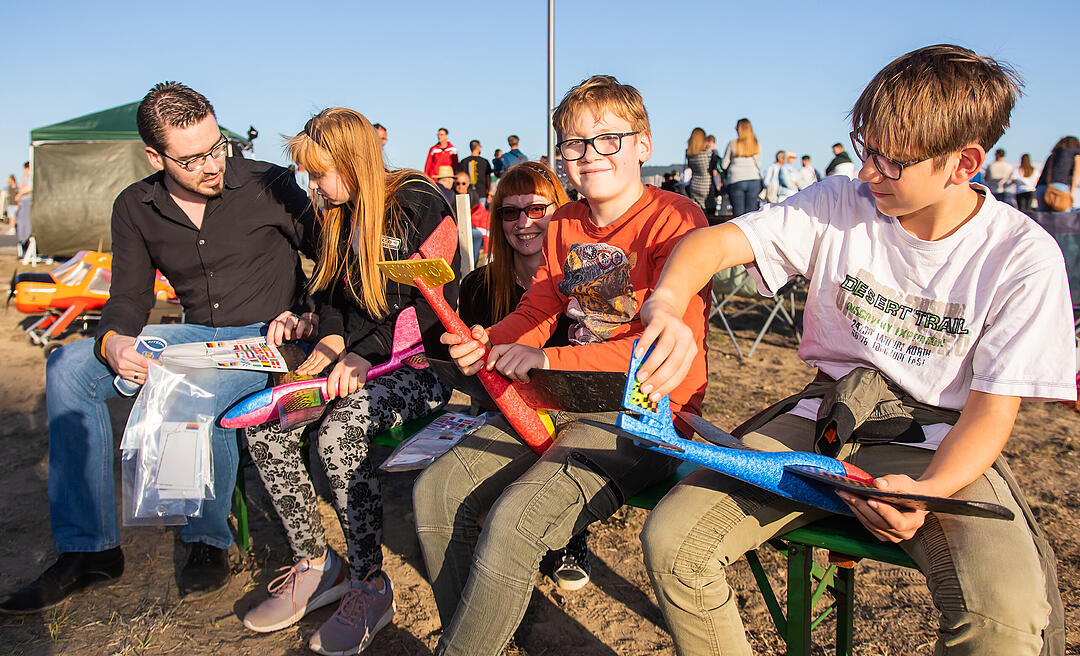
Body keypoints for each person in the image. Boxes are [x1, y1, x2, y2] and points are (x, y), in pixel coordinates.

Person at [633, 44, 1071, 656]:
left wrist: (930, 494)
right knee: (676, 543)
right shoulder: (838, 203)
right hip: (826, 418)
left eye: (890, 162)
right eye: (865, 149)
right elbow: (710, 245)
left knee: (1005, 620)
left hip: (937, 438)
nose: (868, 172)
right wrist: (667, 305)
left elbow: (992, 413)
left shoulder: (1022, 257)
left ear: (964, 163)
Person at [413, 73, 709, 656]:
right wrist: (489, 338)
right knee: (434, 492)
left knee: (515, 522)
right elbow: (540, 305)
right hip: (559, 398)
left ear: (644, 145)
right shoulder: (566, 222)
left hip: (647, 409)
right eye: (574, 144)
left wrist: (541, 355)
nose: (590, 154)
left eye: (608, 139)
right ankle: (477, 637)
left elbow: (657, 347)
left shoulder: (676, 221)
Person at [0, 82, 318, 614]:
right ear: (156, 155)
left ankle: (207, 537)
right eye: (193, 159)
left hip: (266, 340)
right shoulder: (135, 206)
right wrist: (114, 339)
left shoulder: (269, 182)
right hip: (192, 338)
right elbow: (127, 296)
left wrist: (312, 314)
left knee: (202, 388)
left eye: (217, 147)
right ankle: (89, 550)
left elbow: (329, 259)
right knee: (69, 365)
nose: (213, 165)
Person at [240, 108, 457, 654]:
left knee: (340, 434)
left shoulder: (421, 205)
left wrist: (360, 353)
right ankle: (316, 562)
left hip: (418, 369)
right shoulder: (336, 214)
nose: (314, 186)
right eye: (308, 175)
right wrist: (332, 341)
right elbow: (331, 297)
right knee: (266, 420)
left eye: (320, 173)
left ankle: (368, 582)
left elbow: (423, 306)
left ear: (353, 161)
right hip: (357, 362)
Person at [456, 161, 594, 590]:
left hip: (568, 410)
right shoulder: (478, 286)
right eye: (510, 212)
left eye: (538, 209)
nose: (524, 222)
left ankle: (569, 537)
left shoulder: (584, 282)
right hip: (499, 408)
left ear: (562, 212)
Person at [721, 118, 763, 218]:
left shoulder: (732, 144)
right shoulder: (756, 144)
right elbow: (759, 164)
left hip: (736, 179)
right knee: (751, 215)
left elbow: (724, 165)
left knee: (738, 216)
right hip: (753, 179)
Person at [1036, 136, 1080, 212]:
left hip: (1041, 187)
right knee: (1064, 218)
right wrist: (1071, 192)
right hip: (1059, 187)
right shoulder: (1075, 153)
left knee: (1042, 219)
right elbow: (1076, 171)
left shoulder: (1053, 154)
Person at [454, 170, 489, 262]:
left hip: (470, 224)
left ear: (468, 183)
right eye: (458, 183)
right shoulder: (451, 195)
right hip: (453, 226)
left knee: (476, 235)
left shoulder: (473, 194)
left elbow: (476, 213)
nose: (460, 186)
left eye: (463, 183)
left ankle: (473, 263)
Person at [684, 127, 712, 213]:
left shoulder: (689, 153)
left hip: (694, 184)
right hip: (707, 184)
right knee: (708, 211)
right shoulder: (707, 151)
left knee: (696, 211)